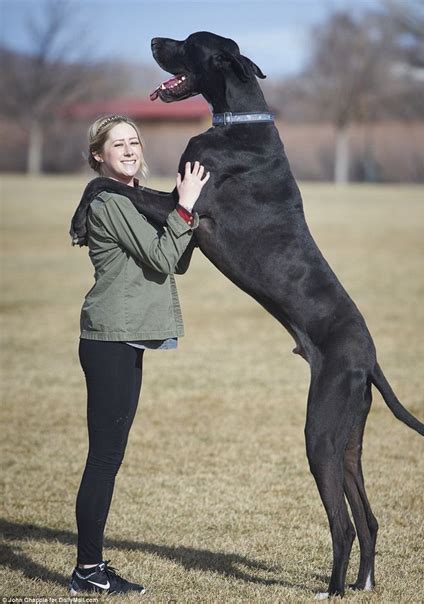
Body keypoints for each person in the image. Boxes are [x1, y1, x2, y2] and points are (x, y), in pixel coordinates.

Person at [69, 114, 210, 596]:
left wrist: (181, 209)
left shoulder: (133, 199)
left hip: (124, 336)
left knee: (110, 456)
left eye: (134, 141)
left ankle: (90, 568)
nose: (129, 149)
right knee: (104, 458)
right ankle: (87, 572)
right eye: (118, 144)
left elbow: (177, 254)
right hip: (110, 338)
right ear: (98, 156)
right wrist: (185, 206)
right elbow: (163, 257)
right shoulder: (110, 200)